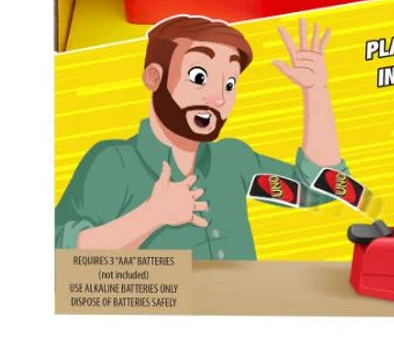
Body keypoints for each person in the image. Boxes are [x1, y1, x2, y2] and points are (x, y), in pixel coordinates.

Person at [56, 15, 348, 259]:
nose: (218, 98)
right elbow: (60, 260)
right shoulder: (114, 163)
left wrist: (316, 91)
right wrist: (150, 216)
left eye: (230, 83)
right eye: (199, 77)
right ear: (154, 77)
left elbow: (319, 190)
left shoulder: (234, 161)